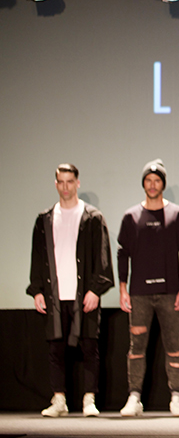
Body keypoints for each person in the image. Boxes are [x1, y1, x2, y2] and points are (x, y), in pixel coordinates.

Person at [27, 164, 114, 417]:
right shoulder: (45, 219)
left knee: (89, 347)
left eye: (70, 181)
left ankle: (89, 399)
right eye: (61, 182)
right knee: (55, 349)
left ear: (78, 183)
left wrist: (95, 290)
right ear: (56, 184)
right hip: (55, 295)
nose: (65, 187)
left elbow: (102, 257)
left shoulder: (92, 217)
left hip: (83, 294)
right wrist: (38, 290)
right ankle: (59, 399)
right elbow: (37, 257)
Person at [117, 159, 179, 417]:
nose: (152, 185)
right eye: (148, 180)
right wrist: (123, 288)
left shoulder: (177, 215)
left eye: (157, 180)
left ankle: (176, 397)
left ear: (163, 184)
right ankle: (134, 397)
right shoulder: (131, 217)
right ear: (143, 184)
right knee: (136, 347)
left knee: (174, 345)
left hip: (171, 292)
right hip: (139, 294)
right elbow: (123, 253)